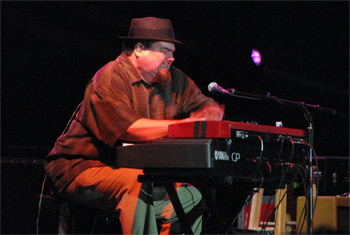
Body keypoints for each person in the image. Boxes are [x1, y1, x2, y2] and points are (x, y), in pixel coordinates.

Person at [44, 17, 224, 234]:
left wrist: (210, 113)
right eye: (165, 51)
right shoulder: (110, 77)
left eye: (173, 52)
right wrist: (182, 125)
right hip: (81, 169)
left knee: (190, 196)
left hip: (132, 173)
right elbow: (129, 129)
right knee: (138, 184)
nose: (171, 58)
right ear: (139, 48)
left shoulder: (174, 80)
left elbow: (206, 105)